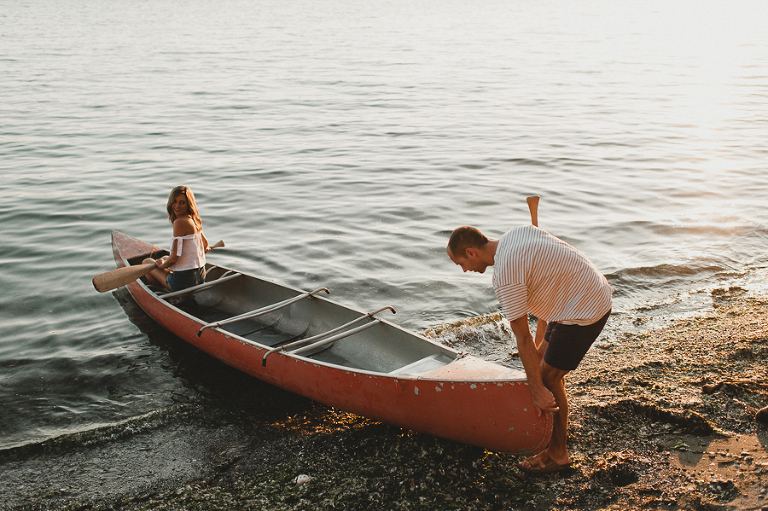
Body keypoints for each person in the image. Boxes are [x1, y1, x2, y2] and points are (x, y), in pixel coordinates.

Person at [446, 224, 612, 474]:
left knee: (546, 378)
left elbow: (522, 337)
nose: (465, 270)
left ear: (471, 252)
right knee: (541, 365)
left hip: (584, 309)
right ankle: (554, 433)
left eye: (460, 263)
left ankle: (558, 454)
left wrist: (536, 389)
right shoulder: (517, 233)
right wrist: (540, 351)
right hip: (581, 291)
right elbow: (548, 278)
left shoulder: (505, 276)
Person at [143, 186, 211, 292]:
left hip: (183, 282)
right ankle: (184, 295)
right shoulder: (194, 219)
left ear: (189, 204)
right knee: (165, 257)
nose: (176, 206)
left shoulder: (180, 222)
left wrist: (161, 266)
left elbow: (174, 258)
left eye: (182, 202)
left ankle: (164, 293)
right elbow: (205, 245)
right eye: (174, 201)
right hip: (201, 276)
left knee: (147, 262)